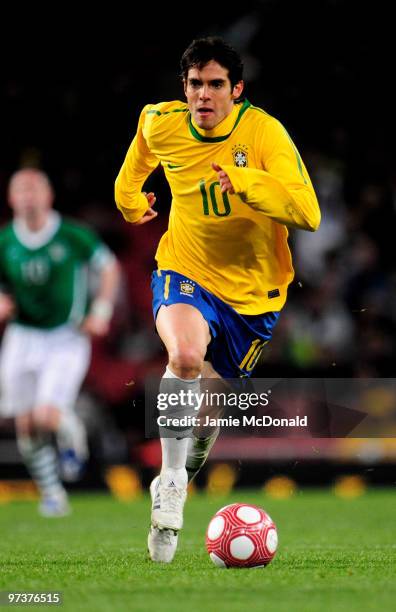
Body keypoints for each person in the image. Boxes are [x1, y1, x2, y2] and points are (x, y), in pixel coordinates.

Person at [115, 37, 320, 562]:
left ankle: (189, 457)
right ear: (184, 89)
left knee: (207, 411)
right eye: (195, 84)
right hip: (184, 268)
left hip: (253, 297)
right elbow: (135, 165)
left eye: (215, 85)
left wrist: (249, 183)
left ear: (237, 90)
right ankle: (170, 483)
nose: (204, 94)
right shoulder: (161, 122)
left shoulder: (264, 132)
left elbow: (307, 211)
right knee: (183, 356)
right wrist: (131, 201)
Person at [0, 168, 120, 516]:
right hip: (22, 336)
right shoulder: (6, 240)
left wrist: (101, 309)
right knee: (25, 424)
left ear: (48, 196)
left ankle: (72, 434)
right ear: (11, 199)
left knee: (46, 416)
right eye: (20, 189)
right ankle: (52, 493)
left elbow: (109, 268)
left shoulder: (72, 235)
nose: (28, 196)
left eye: (35, 188)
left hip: (66, 337)